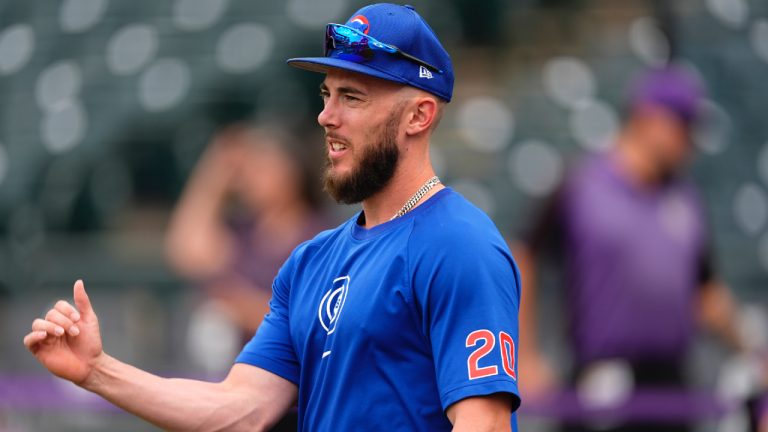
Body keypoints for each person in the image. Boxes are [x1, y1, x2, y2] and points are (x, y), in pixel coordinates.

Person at [23, 4, 522, 431]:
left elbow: (485, 423)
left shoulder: (459, 243)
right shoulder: (310, 262)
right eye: (327, 94)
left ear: (419, 115)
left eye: (353, 97)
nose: (327, 116)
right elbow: (241, 409)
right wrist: (97, 371)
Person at [516, 66, 745, 432]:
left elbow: (706, 294)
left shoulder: (685, 199)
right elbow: (524, 256)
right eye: (682, 126)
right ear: (648, 117)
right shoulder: (582, 185)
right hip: (603, 380)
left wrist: (751, 351)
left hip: (672, 384)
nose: (690, 141)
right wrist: (523, 355)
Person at [165, 123, 328, 339]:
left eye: (261, 167)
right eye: (247, 169)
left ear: (293, 170)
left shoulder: (318, 234)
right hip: (238, 362)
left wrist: (243, 308)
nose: (250, 177)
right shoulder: (244, 228)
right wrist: (215, 175)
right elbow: (186, 252)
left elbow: (315, 316)